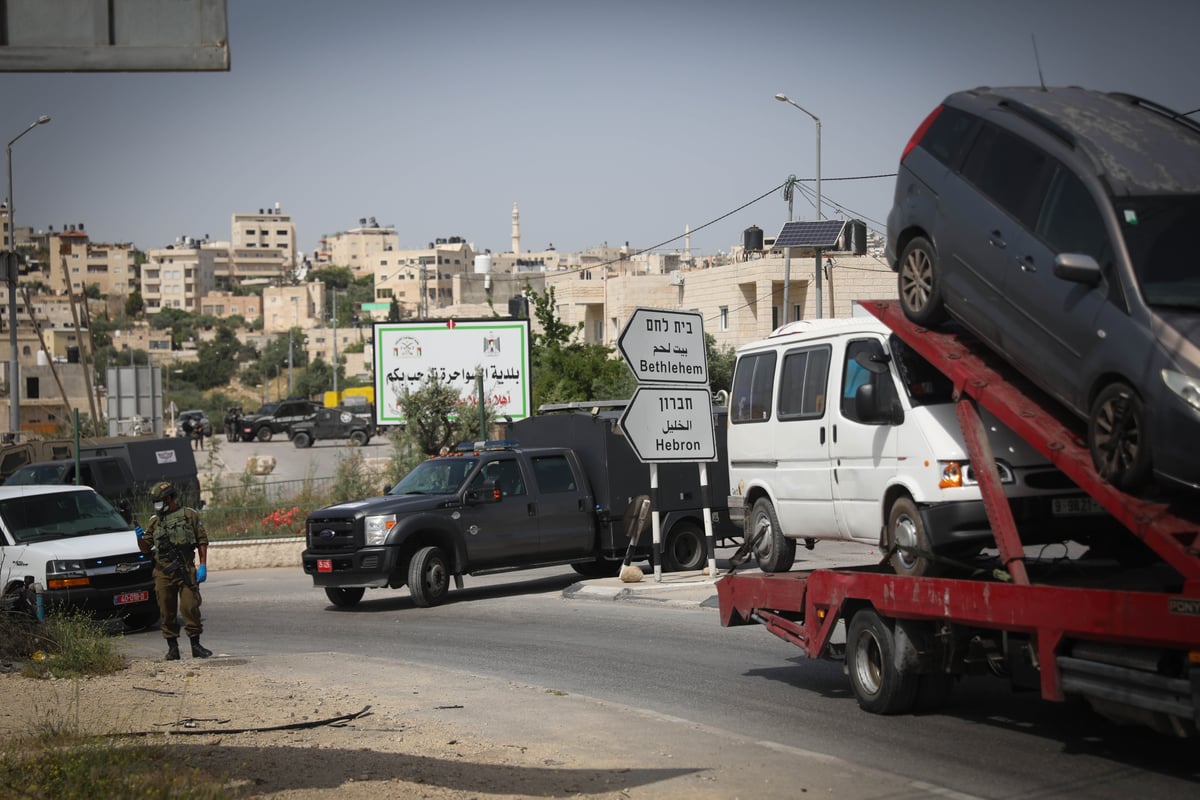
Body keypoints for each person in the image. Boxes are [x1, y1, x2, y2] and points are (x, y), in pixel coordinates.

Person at [137, 481, 212, 660]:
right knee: (166, 610)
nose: (157, 505)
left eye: (159, 501)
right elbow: (145, 549)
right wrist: (139, 539)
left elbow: (202, 540)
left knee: (190, 606)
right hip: (163, 572)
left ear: (169, 498)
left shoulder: (188, 515)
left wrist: (203, 565)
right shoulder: (154, 522)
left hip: (185, 568)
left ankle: (196, 646)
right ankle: (173, 648)